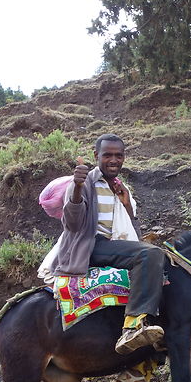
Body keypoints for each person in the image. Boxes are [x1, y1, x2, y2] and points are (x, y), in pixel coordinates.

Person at [51, 133, 166, 355]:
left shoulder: (120, 188)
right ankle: (132, 325)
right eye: (108, 155)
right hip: (91, 245)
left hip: (113, 246)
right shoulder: (84, 184)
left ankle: (145, 362)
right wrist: (76, 187)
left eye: (119, 155)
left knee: (163, 269)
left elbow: (131, 232)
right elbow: (72, 224)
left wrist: (127, 206)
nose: (114, 160)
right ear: (96, 155)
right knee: (151, 255)